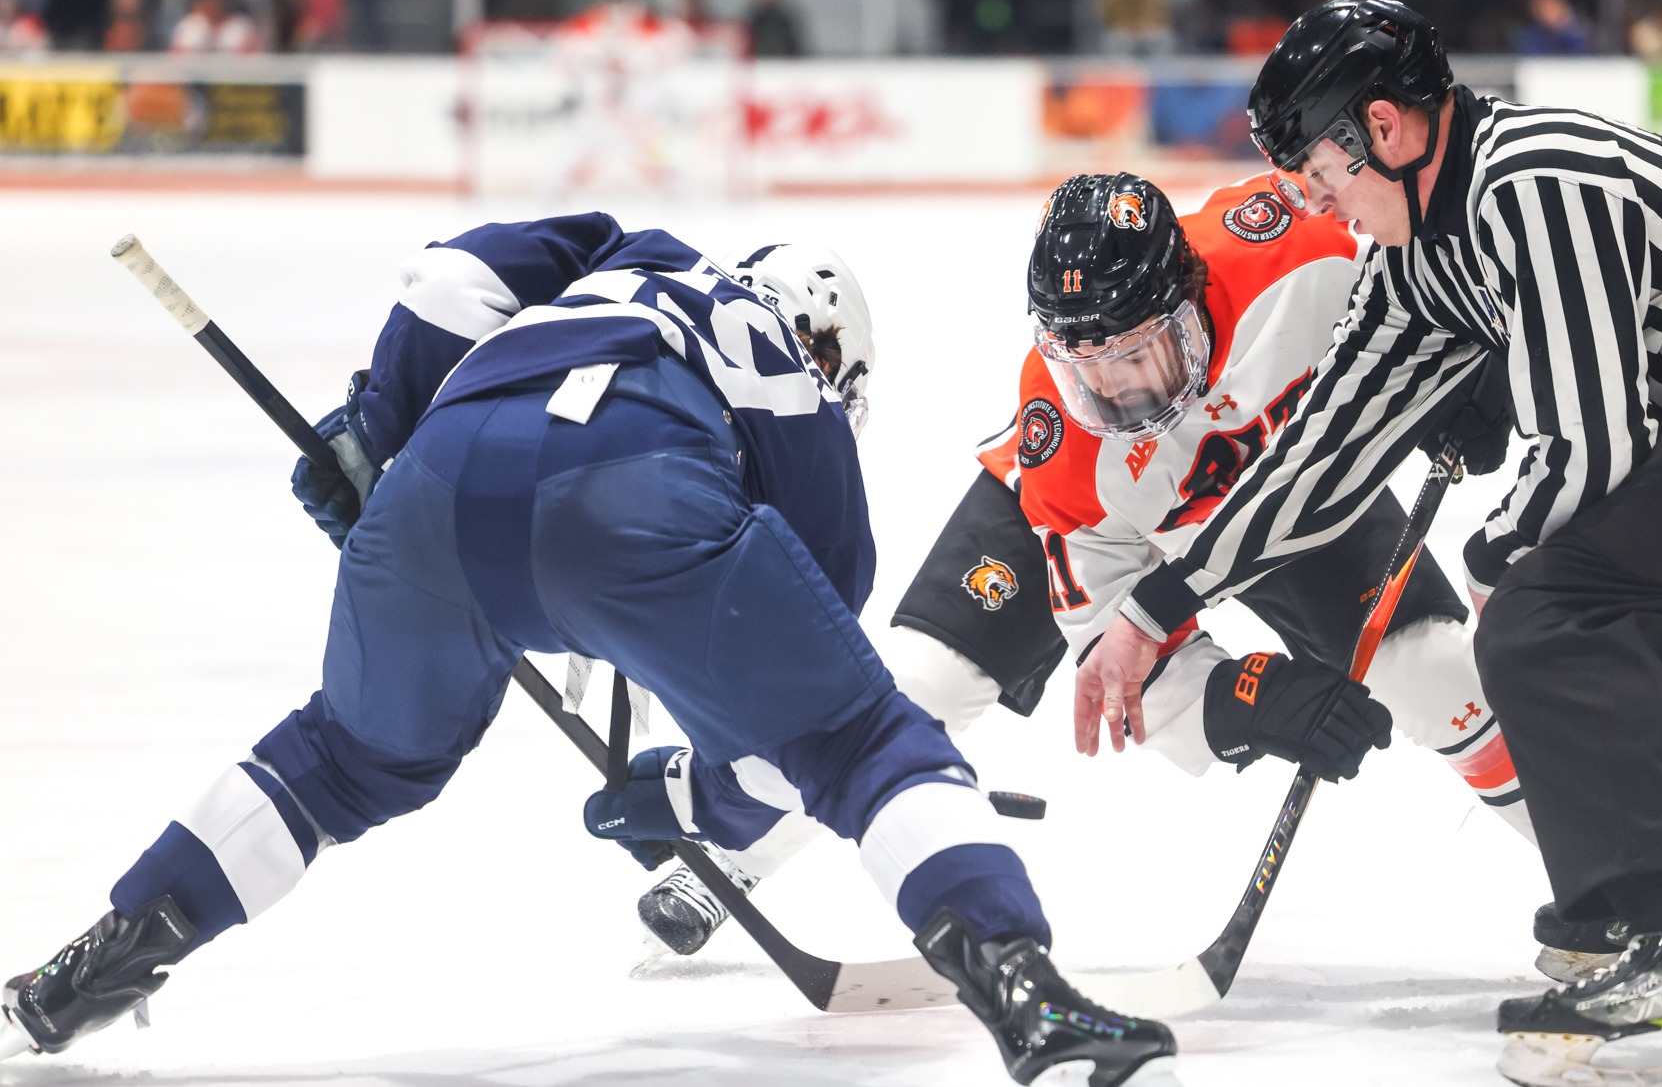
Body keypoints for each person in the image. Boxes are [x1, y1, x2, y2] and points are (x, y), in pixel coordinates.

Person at [0, 215, 1177, 1087]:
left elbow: (456, 277)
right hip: (632, 496)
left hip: (434, 495)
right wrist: (692, 798)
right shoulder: (794, 385)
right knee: (866, 744)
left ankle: (103, 957)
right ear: (832, 350)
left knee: (342, 758)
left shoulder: (627, 253)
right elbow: (796, 740)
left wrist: (374, 430)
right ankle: (1025, 995)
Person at [1074, 0, 1662, 1087]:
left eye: (1321, 170)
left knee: (1555, 616)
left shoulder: (1530, 179)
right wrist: (1150, 611)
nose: (1316, 199)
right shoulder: (1414, 255)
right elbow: (1317, 460)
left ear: (1387, 129)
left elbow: (1587, 447)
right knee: (1603, 606)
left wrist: (1500, 570)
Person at [637, 170, 1540, 960]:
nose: (1112, 390)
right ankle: (731, 849)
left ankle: (1606, 878)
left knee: (1436, 675)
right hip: (1087, 519)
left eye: (1134, 351)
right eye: (1084, 361)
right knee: (916, 687)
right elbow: (1109, 647)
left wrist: (1476, 361)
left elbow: (1433, 248)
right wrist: (1240, 699)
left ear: (1190, 296)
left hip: (1278, 498)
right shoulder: (1065, 439)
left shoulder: (1292, 248)